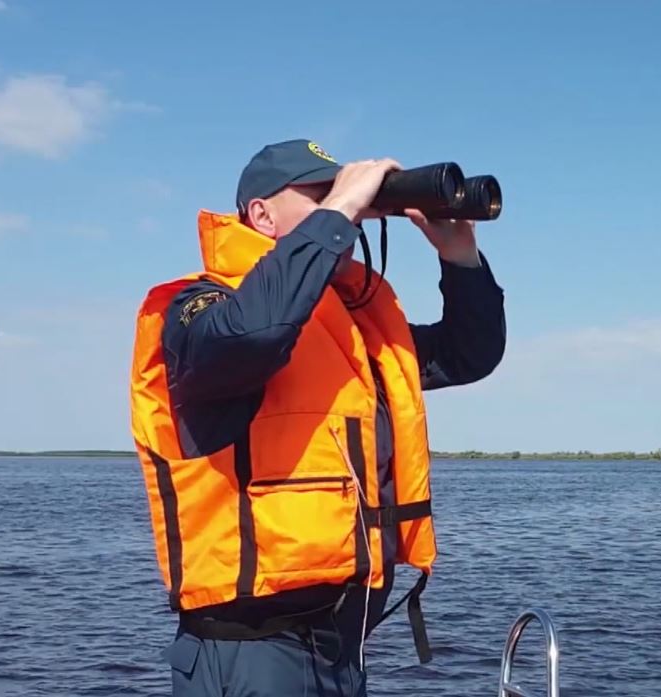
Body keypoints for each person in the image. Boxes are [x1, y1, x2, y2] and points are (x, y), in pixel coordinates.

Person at [128, 139, 506, 696]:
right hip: (250, 647)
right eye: (318, 194)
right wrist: (341, 210)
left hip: (343, 638)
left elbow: (468, 354)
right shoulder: (194, 309)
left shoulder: (355, 327)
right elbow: (253, 334)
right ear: (261, 214)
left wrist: (460, 256)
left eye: (344, 192)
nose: (346, 206)